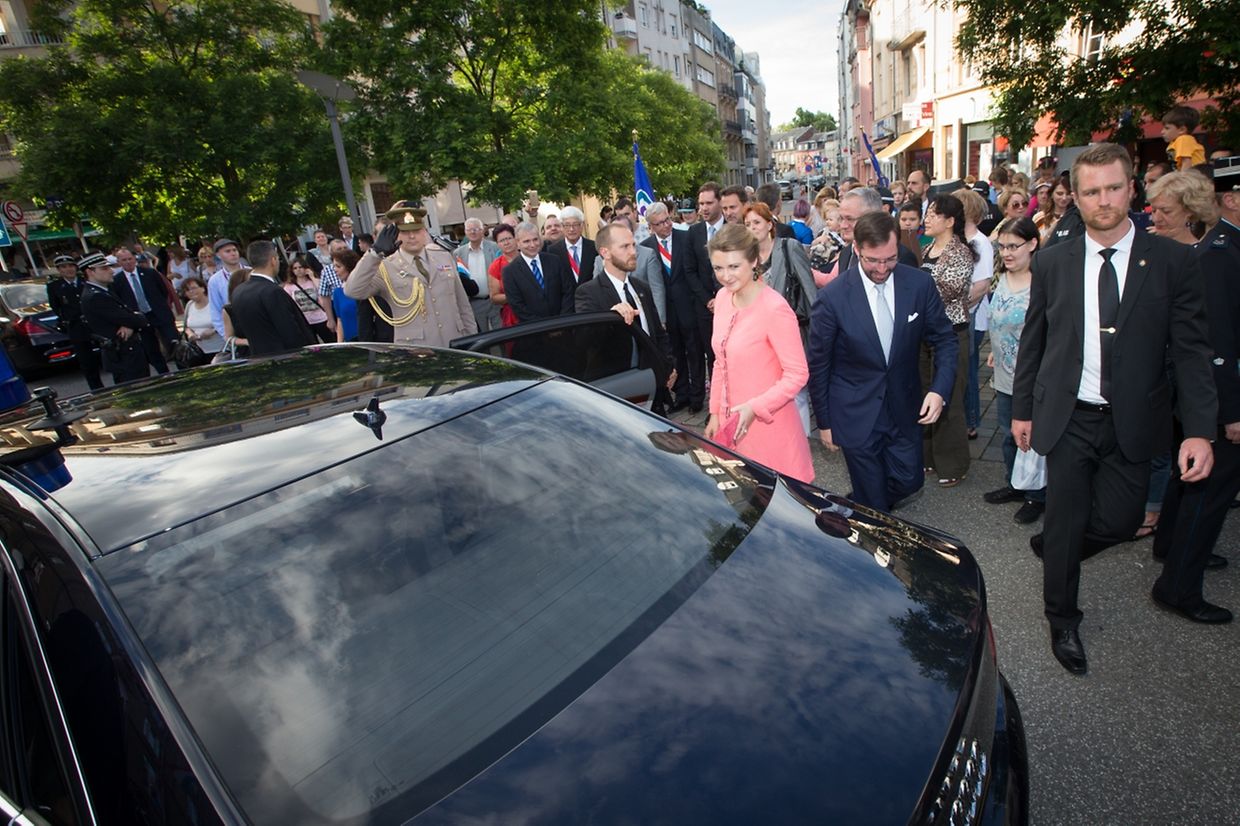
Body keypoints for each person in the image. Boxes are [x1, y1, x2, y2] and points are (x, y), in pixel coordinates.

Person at [1011, 143, 1217, 675]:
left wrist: (1199, 431)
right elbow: (1035, 341)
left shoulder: (1172, 261)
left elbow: (1192, 351)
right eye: (1091, 191)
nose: (1103, 200)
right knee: (1066, 517)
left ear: (1133, 189)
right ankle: (1062, 618)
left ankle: (1058, 548)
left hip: (1134, 418)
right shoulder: (1054, 261)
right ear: (1075, 198)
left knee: (1123, 521)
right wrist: (1022, 409)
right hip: (1068, 415)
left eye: (1113, 187)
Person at [808, 211, 958, 511]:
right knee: (875, 500)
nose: (881, 268)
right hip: (855, 412)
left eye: (889, 259)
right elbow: (819, 363)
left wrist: (939, 390)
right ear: (858, 250)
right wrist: (824, 422)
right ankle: (873, 526)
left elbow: (945, 340)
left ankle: (864, 508)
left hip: (904, 407)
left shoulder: (918, 285)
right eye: (873, 260)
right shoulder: (833, 297)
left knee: (910, 482)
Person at [1149, 155, 1240, 623]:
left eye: (1164, 209)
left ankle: (1170, 546)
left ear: (1192, 211)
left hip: (1198, 396)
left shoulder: (1211, 256)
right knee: (1209, 490)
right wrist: (1229, 414)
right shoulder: (1211, 258)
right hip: (1207, 400)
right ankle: (1180, 587)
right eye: (1154, 208)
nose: (1154, 217)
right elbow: (1215, 349)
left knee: (1189, 482)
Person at [703, 224, 813, 483]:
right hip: (731, 428)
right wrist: (716, 413)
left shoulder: (774, 307)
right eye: (718, 268)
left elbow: (797, 374)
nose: (725, 276)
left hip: (770, 429)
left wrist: (756, 407)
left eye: (733, 266)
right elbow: (721, 361)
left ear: (754, 261)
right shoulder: (721, 298)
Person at [982, 217, 1045, 522]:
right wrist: (995, 352)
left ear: (1032, 244)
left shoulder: (1043, 284)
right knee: (1007, 433)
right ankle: (1014, 484)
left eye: (1013, 246)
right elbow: (999, 321)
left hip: (1032, 377)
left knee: (1030, 437)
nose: (1006, 253)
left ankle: (1036, 495)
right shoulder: (1000, 278)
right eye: (1002, 246)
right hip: (1004, 373)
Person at [345, 202, 478, 344]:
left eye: (416, 230)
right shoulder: (385, 266)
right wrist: (374, 253)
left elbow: (463, 304)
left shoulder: (443, 256)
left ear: (424, 231)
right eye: (405, 232)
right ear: (395, 234)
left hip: (455, 343)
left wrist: (472, 339)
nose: (412, 236)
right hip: (416, 351)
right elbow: (353, 291)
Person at [575, 222, 676, 397]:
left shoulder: (641, 287)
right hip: (618, 388)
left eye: (633, 245)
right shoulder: (589, 292)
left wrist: (669, 366)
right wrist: (610, 316)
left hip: (652, 383)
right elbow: (586, 340)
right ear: (605, 252)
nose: (633, 252)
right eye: (625, 247)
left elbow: (658, 334)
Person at [919, 195, 977, 487]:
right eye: (927, 213)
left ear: (950, 221)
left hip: (951, 335)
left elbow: (946, 293)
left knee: (950, 399)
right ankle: (929, 458)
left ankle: (954, 465)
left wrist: (915, 297)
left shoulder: (961, 253)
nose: (926, 218)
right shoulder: (929, 248)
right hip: (926, 335)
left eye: (933, 214)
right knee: (926, 395)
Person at [642, 202, 697, 412]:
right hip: (664, 311)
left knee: (694, 351)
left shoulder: (686, 238)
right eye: (659, 223)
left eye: (667, 219)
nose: (666, 225)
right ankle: (681, 394)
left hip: (687, 306)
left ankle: (697, 395)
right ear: (651, 227)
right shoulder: (646, 248)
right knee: (675, 353)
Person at [952, 188, 996, 444]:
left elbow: (982, 286)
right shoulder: (958, 240)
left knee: (967, 372)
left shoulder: (980, 242)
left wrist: (956, 305)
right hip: (960, 316)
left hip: (971, 319)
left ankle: (970, 421)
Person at [227, 240, 316, 357]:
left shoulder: (238, 291)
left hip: (258, 357)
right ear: (273, 260)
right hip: (284, 358)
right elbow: (290, 332)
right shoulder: (272, 291)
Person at [77, 251, 152, 384]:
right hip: (122, 354)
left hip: (128, 353)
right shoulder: (95, 296)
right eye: (104, 268)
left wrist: (130, 322)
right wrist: (134, 320)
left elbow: (129, 316)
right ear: (90, 272)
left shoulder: (104, 290)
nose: (111, 271)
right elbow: (137, 319)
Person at [683, 182, 728, 393]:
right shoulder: (694, 233)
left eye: (709, 203)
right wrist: (707, 300)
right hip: (704, 307)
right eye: (701, 204)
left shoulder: (733, 229)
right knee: (711, 355)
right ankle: (714, 403)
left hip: (729, 302)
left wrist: (721, 297)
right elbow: (689, 270)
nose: (704, 208)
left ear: (719, 202)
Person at [111, 246, 174, 374]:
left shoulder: (150, 273)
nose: (128, 262)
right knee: (151, 349)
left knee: (173, 342)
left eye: (130, 258)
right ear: (119, 262)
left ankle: (183, 369)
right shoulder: (117, 281)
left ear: (135, 259)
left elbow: (163, 291)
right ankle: (164, 374)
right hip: (140, 319)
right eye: (124, 260)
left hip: (159, 314)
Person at [46, 253, 103, 390]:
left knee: (107, 355)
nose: (68, 269)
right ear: (59, 270)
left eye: (71, 266)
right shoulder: (55, 286)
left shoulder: (86, 281)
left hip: (94, 323)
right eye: (63, 267)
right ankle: (97, 389)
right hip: (76, 326)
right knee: (87, 362)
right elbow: (56, 307)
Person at [500, 220, 574, 323]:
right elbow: (517, 305)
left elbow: (568, 291)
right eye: (526, 241)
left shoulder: (554, 261)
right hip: (534, 330)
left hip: (563, 325)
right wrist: (543, 327)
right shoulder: (510, 272)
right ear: (517, 243)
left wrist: (561, 321)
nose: (532, 245)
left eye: (535, 239)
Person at [454, 217, 504, 332]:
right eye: (469, 229)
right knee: (481, 338)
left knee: (501, 335)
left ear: (483, 231)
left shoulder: (494, 247)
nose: (473, 232)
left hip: (495, 301)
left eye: (476, 229)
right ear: (465, 232)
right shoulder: (458, 254)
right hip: (474, 303)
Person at [284, 256, 333, 343]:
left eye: (300, 267)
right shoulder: (289, 286)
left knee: (330, 342)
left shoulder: (313, 281)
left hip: (321, 318)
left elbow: (323, 292)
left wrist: (312, 277)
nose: (298, 270)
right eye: (295, 268)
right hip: (305, 321)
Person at [545, 206, 597, 287]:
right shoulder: (553, 251)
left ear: (582, 225)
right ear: (562, 226)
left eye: (575, 224)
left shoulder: (594, 247)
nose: (571, 229)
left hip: (592, 297)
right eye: (567, 225)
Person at [207, 238, 247, 338]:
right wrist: (227, 336)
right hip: (233, 327)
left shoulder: (251, 272)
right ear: (218, 255)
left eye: (234, 250)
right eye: (227, 251)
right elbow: (216, 310)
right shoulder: (215, 280)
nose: (233, 253)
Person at [180, 277, 225, 357]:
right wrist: (190, 334)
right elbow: (186, 326)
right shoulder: (189, 305)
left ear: (203, 288)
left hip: (221, 348)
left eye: (194, 288)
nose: (191, 292)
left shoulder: (215, 302)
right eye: (187, 290)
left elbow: (227, 321)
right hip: (199, 351)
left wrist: (214, 331)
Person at [487, 223, 520, 328]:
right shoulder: (496, 266)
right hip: (511, 316)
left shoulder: (527, 258)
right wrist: (516, 296)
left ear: (515, 239)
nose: (506, 243)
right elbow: (494, 297)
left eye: (509, 238)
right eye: (501, 240)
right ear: (497, 244)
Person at [1161, 105, 1206, 170]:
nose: (1162, 132)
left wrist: (1181, 179)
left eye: (1167, 128)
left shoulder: (1183, 139)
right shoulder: (1174, 142)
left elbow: (1186, 163)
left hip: (1193, 177)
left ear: (1182, 130)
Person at [331, 249, 361, 342]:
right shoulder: (338, 292)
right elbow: (340, 320)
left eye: (338, 266)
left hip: (370, 338)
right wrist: (339, 344)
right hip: (351, 342)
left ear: (349, 267)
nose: (335, 270)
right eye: (334, 266)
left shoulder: (365, 289)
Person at [1035, 176, 1073, 243]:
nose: (1064, 198)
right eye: (1059, 194)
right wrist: (1050, 233)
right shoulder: (1039, 218)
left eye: (1068, 194)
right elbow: (1036, 247)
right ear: (1051, 194)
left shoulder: (1076, 217)